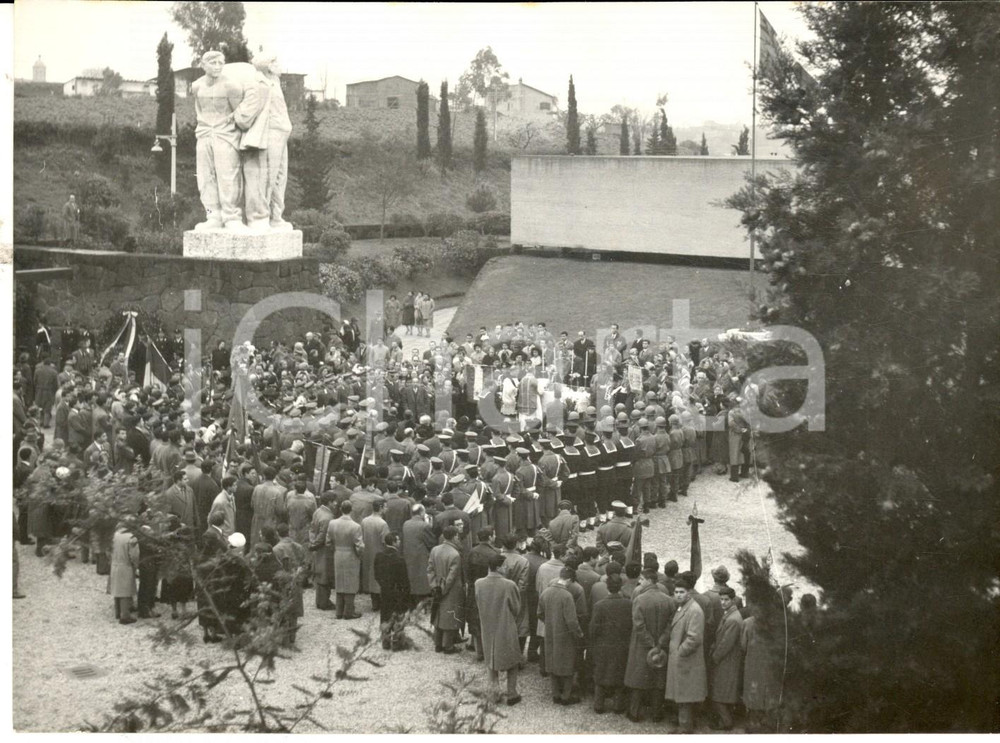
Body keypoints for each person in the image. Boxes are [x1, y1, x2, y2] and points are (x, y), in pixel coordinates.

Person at [191, 51, 248, 232]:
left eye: (220, 63)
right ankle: (212, 214)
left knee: (227, 175)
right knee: (205, 176)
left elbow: (238, 112)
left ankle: (231, 216)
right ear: (203, 64)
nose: (217, 66)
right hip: (204, 132)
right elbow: (199, 110)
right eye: (213, 62)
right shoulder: (197, 86)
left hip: (226, 133)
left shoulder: (231, 86)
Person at [235, 51, 292, 232]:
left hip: (281, 135)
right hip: (268, 134)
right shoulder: (259, 83)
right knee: (263, 177)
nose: (278, 64)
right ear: (267, 65)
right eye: (275, 60)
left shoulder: (274, 82)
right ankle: (258, 218)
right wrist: (235, 116)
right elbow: (245, 116)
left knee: (279, 178)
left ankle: (276, 216)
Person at [624, 567, 675, 722]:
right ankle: (656, 714)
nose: (640, 581)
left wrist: (651, 643)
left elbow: (638, 626)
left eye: (643, 579)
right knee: (658, 681)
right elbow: (670, 624)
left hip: (642, 646)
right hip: (662, 647)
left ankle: (634, 712)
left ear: (649, 580)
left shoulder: (639, 599)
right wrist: (660, 643)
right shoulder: (669, 600)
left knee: (638, 679)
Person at [475, 551, 523, 705]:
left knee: (491, 661)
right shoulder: (509, 585)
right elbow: (516, 608)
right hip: (506, 626)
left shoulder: (479, 584)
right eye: (505, 565)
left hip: (488, 626)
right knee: (512, 661)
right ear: (499, 566)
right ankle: (511, 693)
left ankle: (494, 694)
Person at [664, 573, 708, 733]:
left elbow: (694, 638)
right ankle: (684, 724)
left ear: (689, 592)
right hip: (682, 660)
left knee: (684, 696)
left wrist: (679, 652)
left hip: (686, 660)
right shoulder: (684, 607)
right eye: (676, 592)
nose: (678, 595)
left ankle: (685, 729)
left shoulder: (694, 610)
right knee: (683, 695)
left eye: (681, 592)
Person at [538, 566, 584, 705]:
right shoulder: (567, 596)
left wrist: (550, 622)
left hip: (550, 632)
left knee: (552, 662)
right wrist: (579, 633)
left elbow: (539, 613)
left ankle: (555, 694)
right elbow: (571, 620)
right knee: (567, 664)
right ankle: (566, 696)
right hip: (565, 635)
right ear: (569, 580)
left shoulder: (546, 592)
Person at [588, 573, 632, 714]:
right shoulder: (628, 604)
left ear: (607, 587)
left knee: (601, 673)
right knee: (619, 672)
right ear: (621, 587)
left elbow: (593, 628)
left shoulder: (599, 605)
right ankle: (618, 705)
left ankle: (599, 704)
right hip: (622, 644)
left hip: (603, 644)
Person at [708, 586, 743, 730]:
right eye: (721, 599)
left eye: (726, 600)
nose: (723, 602)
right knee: (722, 692)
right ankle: (725, 720)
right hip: (726, 660)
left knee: (720, 694)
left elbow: (726, 644)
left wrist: (714, 658)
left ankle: (726, 722)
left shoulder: (733, 619)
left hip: (727, 661)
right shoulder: (730, 615)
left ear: (733, 600)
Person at [428, 525, 465, 654]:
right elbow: (452, 576)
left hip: (437, 586)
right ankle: (448, 645)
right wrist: (443, 590)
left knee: (438, 614)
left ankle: (438, 643)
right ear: (454, 536)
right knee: (450, 615)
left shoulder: (435, 550)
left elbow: (430, 569)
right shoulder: (455, 554)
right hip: (451, 590)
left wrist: (434, 586)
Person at [372, 533, 410, 649]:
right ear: (393, 542)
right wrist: (406, 592)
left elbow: (376, 574)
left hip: (385, 590)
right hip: (397, 591)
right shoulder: (399, 558)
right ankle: (397, 641)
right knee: (398, 614)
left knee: (385, 614)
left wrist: (383, 585)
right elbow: (404, 579)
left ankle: (385, 640)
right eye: (398, 540)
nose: (399, 542)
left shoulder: (379, 556)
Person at [328, 500, 364, 619]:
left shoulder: (332, 523)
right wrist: (360, 555)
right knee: (351, 582)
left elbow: (328, 542)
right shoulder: (356, 526)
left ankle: (339, 611)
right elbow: (359, 546)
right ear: (351, 510)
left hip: (338, 553)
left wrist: (335, 548)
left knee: (339, 581)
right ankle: (348, 611)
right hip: (350, 554)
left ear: (341, 509)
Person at [402, 504, 436, 607]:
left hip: (409, 553)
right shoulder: (424, 525)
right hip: (421, 555)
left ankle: (413, 598)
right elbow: (431, 542)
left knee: (412, 576)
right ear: (421, 512)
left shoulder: (406, 524)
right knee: (421, 578)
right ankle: (422, 599)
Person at [361, 499, 390, 611]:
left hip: (368, 552)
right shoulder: (383, 523)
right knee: (380, 577)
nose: (387, 509)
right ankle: (381, 602)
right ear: (381, 508)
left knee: (370, 576)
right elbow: (386, 541)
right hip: (380, 553)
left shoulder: (364, 521)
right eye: (385, 507)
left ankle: (374, 602)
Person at [308, 493, 336, 610]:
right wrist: (315, 544)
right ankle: (324, 602)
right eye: (334, 501)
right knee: (325, 575)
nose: (336, 503)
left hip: (317, 548)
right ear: (329, 502)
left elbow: (312, 529)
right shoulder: (328, 517)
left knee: (319, 574)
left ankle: (320, 601)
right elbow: (323, 535)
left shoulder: (318, 511)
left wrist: (312, 543)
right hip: (324, 549)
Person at [108, 523, 139, 625]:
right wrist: (136, 565)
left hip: (114, 564)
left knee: (117, 589)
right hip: (126, 565)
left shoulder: (114, 535)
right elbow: (134, 555)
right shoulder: (131, 538)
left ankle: (118, 612)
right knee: (125, 591)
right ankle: (125, 616)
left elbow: (108, 551)